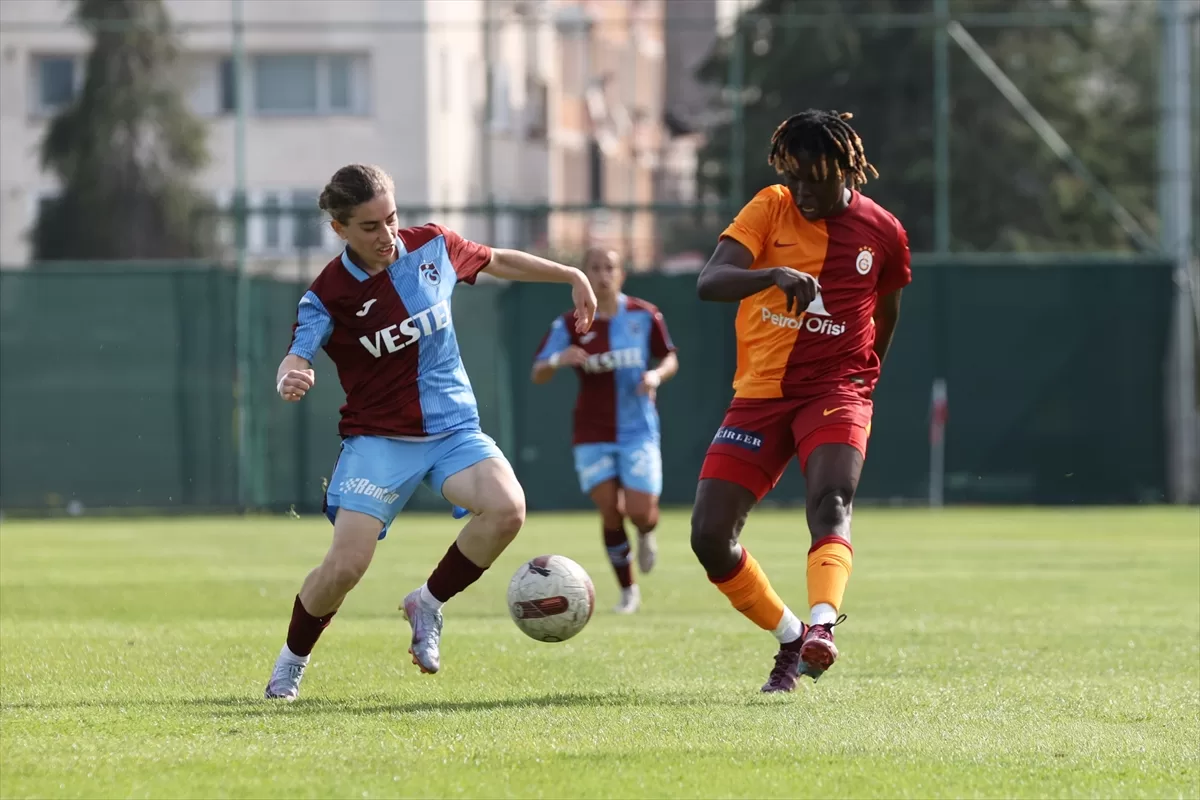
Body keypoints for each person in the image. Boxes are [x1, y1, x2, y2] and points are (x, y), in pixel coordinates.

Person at [264, 164, 597, 701]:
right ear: (339, 229)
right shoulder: (328, 294)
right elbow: (296, 354)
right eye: (370, 226)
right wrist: (289, 377)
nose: (386, 235)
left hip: (453, 429)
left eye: (392, 218)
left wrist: (570, 274)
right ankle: (290, 663)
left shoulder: (433, 245)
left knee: (508, 509)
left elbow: (497, 259)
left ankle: (427, 603)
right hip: (379, 440)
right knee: (345, 567)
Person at [690, 110, 911, 692]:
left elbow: (886, 310)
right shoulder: (771, 206)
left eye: (816, 179)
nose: (803, 191)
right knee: (709, 537)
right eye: (794, 177)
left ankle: (822, 627)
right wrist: (772, 274)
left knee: (831, 497)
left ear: (846, 170)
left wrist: (864, 379)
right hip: (760, 394)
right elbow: (710, 282)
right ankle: (791, 637)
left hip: (837, 389)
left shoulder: (883, 231)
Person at [528, 246, 679, 613]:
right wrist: (557, 359)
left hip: (637, 429)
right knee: (610, 510)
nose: (602, 275)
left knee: (640, 512)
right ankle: (628, 591)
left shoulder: (644, 314)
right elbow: (538, 372)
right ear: (584, 274)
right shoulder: (570, 323)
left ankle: (646, 533)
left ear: (621, 273)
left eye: (609, 267)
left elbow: (669, 357)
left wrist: (656, 376)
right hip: (592, 432)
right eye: (594, 268)